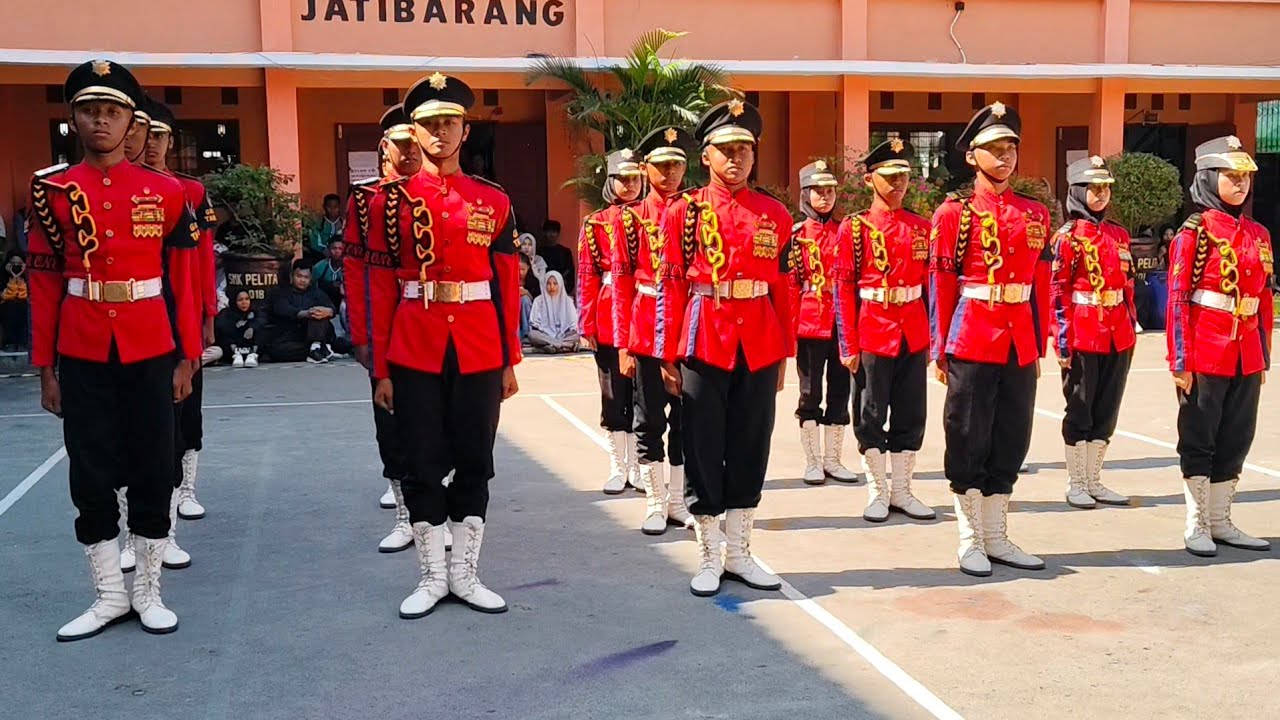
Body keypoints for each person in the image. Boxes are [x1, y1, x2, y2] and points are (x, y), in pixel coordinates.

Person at [29, 60, 201, 640]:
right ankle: (107, 595)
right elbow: (46, 281)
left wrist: (188, 356)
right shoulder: (52, 191)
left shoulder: (167, 192)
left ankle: (147, 591)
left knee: (156, 462)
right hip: (81, 347)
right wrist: (45, 368)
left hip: (151, 344)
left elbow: (184, 280)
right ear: (72, 119)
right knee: (91, 468)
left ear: (132, 123)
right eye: (89, 110)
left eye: (113, 111)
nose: (100, 121)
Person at [369, 72, 522, 618]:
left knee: (475, 459)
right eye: (429, 123)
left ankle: (466, 574)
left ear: (464, 128)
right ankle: (433, 575)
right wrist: (380, 365)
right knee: (421, 461)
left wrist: (509, 358)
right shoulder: (389, 204)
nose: (439, 132)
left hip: (479, 345)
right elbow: (380, 288)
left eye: (449, 122)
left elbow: (506, 283)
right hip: (415, 344)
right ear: (414, 130)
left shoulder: (493, 200)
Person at [656, 99, 794, 597]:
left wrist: (785, 349)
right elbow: (670, 282)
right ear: (706, 156)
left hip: (758, 339)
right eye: (726, 149)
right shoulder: (684, 212)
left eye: (744, 150)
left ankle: (740, 552)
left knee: (751, 442)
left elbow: (782, 285)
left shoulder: (775, 214)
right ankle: (710, 554)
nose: (736, 159)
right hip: (703, 335)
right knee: (703, 443)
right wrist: (667, 352)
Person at [929, 102, 1051, 577]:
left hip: (1018, 336)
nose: (1004, 158)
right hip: (973, 333)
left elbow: (1040, 284)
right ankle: (970, 538)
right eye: (994, 149)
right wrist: (940, 348)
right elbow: (940, 284)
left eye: (1011, 148)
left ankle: (998, 536)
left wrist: (1039, 343)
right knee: (967, 434)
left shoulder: (1035, 212)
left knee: (1012, 434)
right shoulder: (954, 212)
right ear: (971, 156)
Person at [1167, 136, 1273, 556]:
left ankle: (1221, 519)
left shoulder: (1259, 233)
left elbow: (1264, 298)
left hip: (1246, 348)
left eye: (1245, 176)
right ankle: (1197, 523)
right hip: (1205, 346)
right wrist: (1180, 357)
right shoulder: (1196, 231)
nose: (1241, 183)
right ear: (1209, 179)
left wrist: (1264, 354)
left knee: (1237, 435)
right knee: (1199, 434)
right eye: (1231, 176)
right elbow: (1177, 297)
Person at [344, 103, 424, 552]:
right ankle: (404, 513)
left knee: (435, 423)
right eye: (402, 144)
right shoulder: (366, 199)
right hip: (386, 327)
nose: (410, 153)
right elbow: (355, 271)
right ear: (384, 147)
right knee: (389, 421)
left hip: (431, 325)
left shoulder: (436, 193)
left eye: (416, 144)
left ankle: (433, 509)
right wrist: (361, 336)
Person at [843, 140, 935, 522]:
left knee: (912, 412)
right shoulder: (855, 228)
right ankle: (878, 491)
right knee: (870, 412)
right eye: (889, 176)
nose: (898, 184)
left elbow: (931, 287)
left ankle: (902, 490)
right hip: (874, 329)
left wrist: (933, 336)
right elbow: (843, 289)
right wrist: (848, 343)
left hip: (912, 330)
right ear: (869, 179)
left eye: (903, 176)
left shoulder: (920, 226)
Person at [612, 126, 697, 534]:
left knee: (686, 418)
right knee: (648, 419)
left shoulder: (697, 213)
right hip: (645, 326)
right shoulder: (630, 221)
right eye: (662, 166)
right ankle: (654, 501)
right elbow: (621, 283)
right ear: (646, 168)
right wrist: (623, 346)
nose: (670, 173)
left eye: (677, 165)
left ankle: (679, 500)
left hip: (689, 328)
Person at [143, 98, 220, 535]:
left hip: (183, 309)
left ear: (170, 141)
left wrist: (208, 312)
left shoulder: (188, 191)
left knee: (189, 404)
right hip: (141, 311)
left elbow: (203, 260)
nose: (151, 144)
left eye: (159, 136)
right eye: (146, 134)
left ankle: (186, 488)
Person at [1050, 156, 1135, 509]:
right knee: (1081, 407)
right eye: (1093, 189)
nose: (1100, 196)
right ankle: (1077, 483)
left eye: (1104, 189)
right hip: (1084, 331)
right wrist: (1063, 339)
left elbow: (1129, 284)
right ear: (1077, 191)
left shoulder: (1118, 233)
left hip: (1118, 333)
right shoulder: (1067, 237)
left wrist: (1132, 322)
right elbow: (1057, 290)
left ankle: (1095, 480)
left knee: (1107, 409)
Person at [579, 149, 642, 494]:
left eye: (635, 178)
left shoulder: (652, 218)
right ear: (610, 181)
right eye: (623, 178)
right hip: (607, 313)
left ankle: (639, 466)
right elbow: (587, 275)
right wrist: (587, 322)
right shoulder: (595, 223)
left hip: (644, 311)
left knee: (643, 396)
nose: (630, 185)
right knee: (613, 391)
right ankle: (618, 466)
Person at [791, 160, 858, 486]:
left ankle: (834, 459)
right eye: (818, 191)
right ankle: (813, 461)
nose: (825, 197)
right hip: (809, 321)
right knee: (809, 392)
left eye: (830, 191)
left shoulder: (847, 231)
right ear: (805, 194)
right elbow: (790, 284)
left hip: (842, 321)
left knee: (840, 389)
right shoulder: (797, 235)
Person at [529, 270, 580, 352]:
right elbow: (534, 322)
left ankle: (551, 347)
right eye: (548, 284)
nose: (552, 287)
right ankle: (566, 346)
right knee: (532, 335)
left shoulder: (568, 301)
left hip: (564, 335)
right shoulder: (538, 300)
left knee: (577, 335)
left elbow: (574, 323)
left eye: (555, 284)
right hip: (545, 335)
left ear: (560, 284)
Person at [216, 291, 264, 367]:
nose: (244, 302)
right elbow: (221, 326)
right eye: (240, 300)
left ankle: (252, 354)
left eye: (247, 299)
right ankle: (236, 355)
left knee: (260, 330)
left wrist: (252, 327)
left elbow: (263, 319)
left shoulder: (255, 310)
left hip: (251, 344)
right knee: (225, 334)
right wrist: (238, 326)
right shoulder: (227, 313)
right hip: (234, 346)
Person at [537, 219, 575, 296]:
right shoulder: (539, 252)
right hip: (543, 290)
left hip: (562, 289)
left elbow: (569, 271)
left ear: (558, 233)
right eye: (549, 231)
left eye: (554, 232)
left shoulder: (565, 252)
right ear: (544, 233)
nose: (551, 235)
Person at [312, 237, 345, 307]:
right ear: (329, 249)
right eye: (334, 248)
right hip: (323, 303)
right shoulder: (319, 267)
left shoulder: (350, 268)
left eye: (340, 249)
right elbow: (312, 287)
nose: (337, 251)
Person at [518, 231, 546, 296]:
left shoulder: (539, 260)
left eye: (530, 244)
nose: (526, 247)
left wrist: (533, 268)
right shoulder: (514, 259)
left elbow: (542, 282)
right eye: (524, 244)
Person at [518, 253, 534, 343]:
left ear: (528, 267)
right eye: (518, 269)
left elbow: (538, 301)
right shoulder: (509, 279)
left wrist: (527, 293)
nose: (520, 273)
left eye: (523, 269)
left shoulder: (533, 281)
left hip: (528, 313)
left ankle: (526, 333)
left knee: (525, 300)